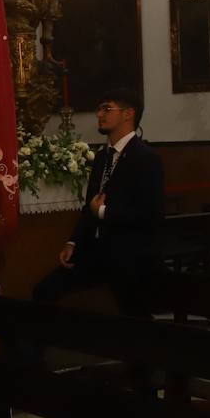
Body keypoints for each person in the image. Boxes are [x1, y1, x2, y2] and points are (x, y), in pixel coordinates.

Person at [33, 88, 165, 317]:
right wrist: (73, 241)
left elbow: (149, 214)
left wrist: (104, 212)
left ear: (128, 114)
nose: (99, 114)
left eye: (107, 108)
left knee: (136, 315)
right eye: (99, 109)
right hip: (97, 252)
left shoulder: (146, 159)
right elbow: (89, 206)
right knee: (43, 291)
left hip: (129, 254)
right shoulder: (103, 157)